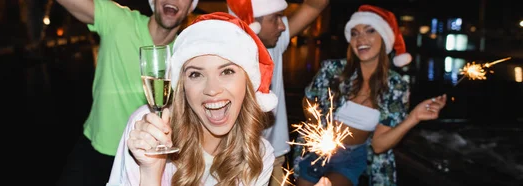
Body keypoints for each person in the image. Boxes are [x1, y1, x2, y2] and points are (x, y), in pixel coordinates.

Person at [106, 12, 279, 186]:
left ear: (247, 81)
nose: (212, 90)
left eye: (227, 72)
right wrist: (151, 173)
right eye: (196, 74)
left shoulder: (259, 156)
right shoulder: (148, 128)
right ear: (182, 85)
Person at [293, 5, 447, 186]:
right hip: (316, 151)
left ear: (384, 38)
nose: (360, 39)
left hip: (353, 157)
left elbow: (379, 145)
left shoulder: (396, 86)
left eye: (370, 30)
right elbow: (309, 100)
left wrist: (414, 117)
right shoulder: (333, 70)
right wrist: (320, 130)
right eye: (355, 33)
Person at [54, 0, 198, 185]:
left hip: (144, 157)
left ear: (191, 6)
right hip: (94, 151)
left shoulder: (185, 53)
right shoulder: (118, 20)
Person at [225, 0, 330, 185]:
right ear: (253, 22)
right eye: (275, 18)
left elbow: (315, 5)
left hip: (274, 158)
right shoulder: (223, 58)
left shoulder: (274, 43)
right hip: (234, 161)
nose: (282, 26)